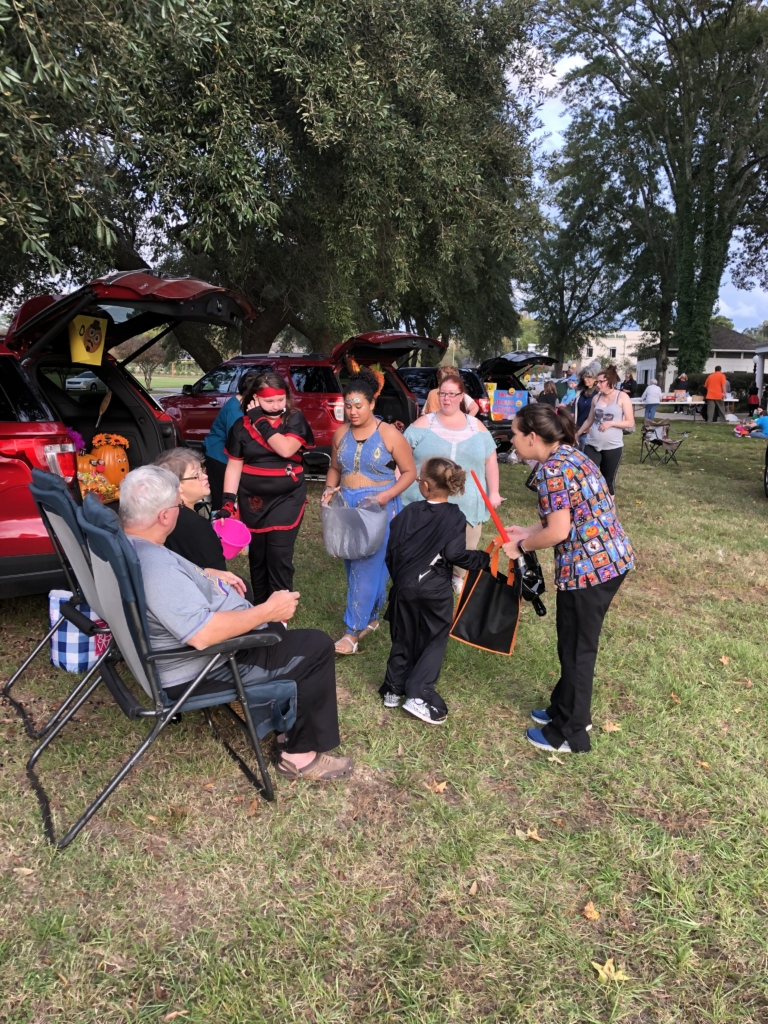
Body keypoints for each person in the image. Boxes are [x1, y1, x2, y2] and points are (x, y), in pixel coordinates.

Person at [119, 466, 352, 780]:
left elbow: (172, 594)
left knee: (278, 633)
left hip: (189, 654)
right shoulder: (155, 568)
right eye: (176, 506)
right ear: (163, 516)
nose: (179, 512)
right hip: (204, 665)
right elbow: (202, 635)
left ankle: (280, 717)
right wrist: (267, 611)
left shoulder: (130, 545)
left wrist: (203, 575)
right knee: (316, 646)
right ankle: (298, 756)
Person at [503, 405, 633, 754]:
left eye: (515, 434)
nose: (512, 440)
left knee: (576, 649)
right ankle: (566, 708)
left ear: (532, 437)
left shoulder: (552, 471)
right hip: (610, 561)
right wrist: (526, 531)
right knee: (574, 645)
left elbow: (558, 532)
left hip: (589, 570)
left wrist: (521, 546)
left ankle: (571, 733)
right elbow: (568, 515)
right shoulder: (569, 456)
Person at [380, 457, 502, 725]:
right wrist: (483, 559)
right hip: (435, 589)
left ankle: (393, 689)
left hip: (404, 586)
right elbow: (456, 555)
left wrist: (400, 578)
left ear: (424, 485)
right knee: (434, 638)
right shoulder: (455, 516)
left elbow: (392, 549)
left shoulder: (409, 512)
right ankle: (418, 694)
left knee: (403, 634)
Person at [322, 367, 417, 655]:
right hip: (347, 505)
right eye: (348, 406)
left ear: (372, 403)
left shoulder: (389, 434)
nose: (352, 412)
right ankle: (372, 617)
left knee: (365, 567)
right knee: (353, 563)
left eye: (358, 406)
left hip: (378, 507)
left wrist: (386, 495)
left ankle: (352, 632)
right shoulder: (340, 434)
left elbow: (410, 472)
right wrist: (329, 488)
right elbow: (335, 467)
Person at [218, 372, 314, 606]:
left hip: (287, 498)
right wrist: (228, 502)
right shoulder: (240, 426)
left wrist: (259, 420)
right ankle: (261, 608)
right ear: (254, 398)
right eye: (269, 401)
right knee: (258, 556)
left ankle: (280, 611)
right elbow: (234, 466)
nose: (276, 405)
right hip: (253, 501)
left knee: (279, 554)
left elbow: (285, 449)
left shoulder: (294, 418)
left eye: (280, 399)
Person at [402, 370, 501, 593]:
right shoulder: (424, 423)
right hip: (427, 497)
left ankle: (458, 575)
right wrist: (398, 481)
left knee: (465, 545)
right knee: (425, 541)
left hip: (467, 499)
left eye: (451, 394)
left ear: (461, 396)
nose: (446, 398)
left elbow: (491, 460)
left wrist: (494, 492)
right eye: (442, 393)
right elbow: (402, 454)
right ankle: (424, 572)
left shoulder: (476, 426)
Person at [154, 448, 252, 602]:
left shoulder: (161, 515)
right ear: (177, 486)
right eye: (196, 475)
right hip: (198, 598)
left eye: (202, 471)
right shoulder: (196, 525)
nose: (205, 476)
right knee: (244, 588)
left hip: (173, 590)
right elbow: (220, 577)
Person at [576, 365, 635, 496]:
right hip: (592, 444)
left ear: (610, 381)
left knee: (608, 480)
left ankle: (608, 505)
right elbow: (589, 420)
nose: (598, 384)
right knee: (589, 476)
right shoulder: (596, 398)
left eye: (601, 382)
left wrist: (611, 423)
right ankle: (590, 502)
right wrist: (577, 434)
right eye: (597, 382)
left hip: (612, 446)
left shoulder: (622, 397)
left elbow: (630, 422)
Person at [203, 371, 258, 510]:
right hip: (219, 457)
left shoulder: (241, 403)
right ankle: (218, 521)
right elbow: (238, 441)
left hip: (226, 456)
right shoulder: (235, 410)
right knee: (221, 500)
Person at [574, 368, 597, 450]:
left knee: (585, 456)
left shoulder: (598, 394)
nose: (585, 379)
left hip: (589, 432)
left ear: (595, 378)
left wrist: (592, 426)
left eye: (589, 377)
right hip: (577, 429)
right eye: (584, 377)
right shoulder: (580, 392)